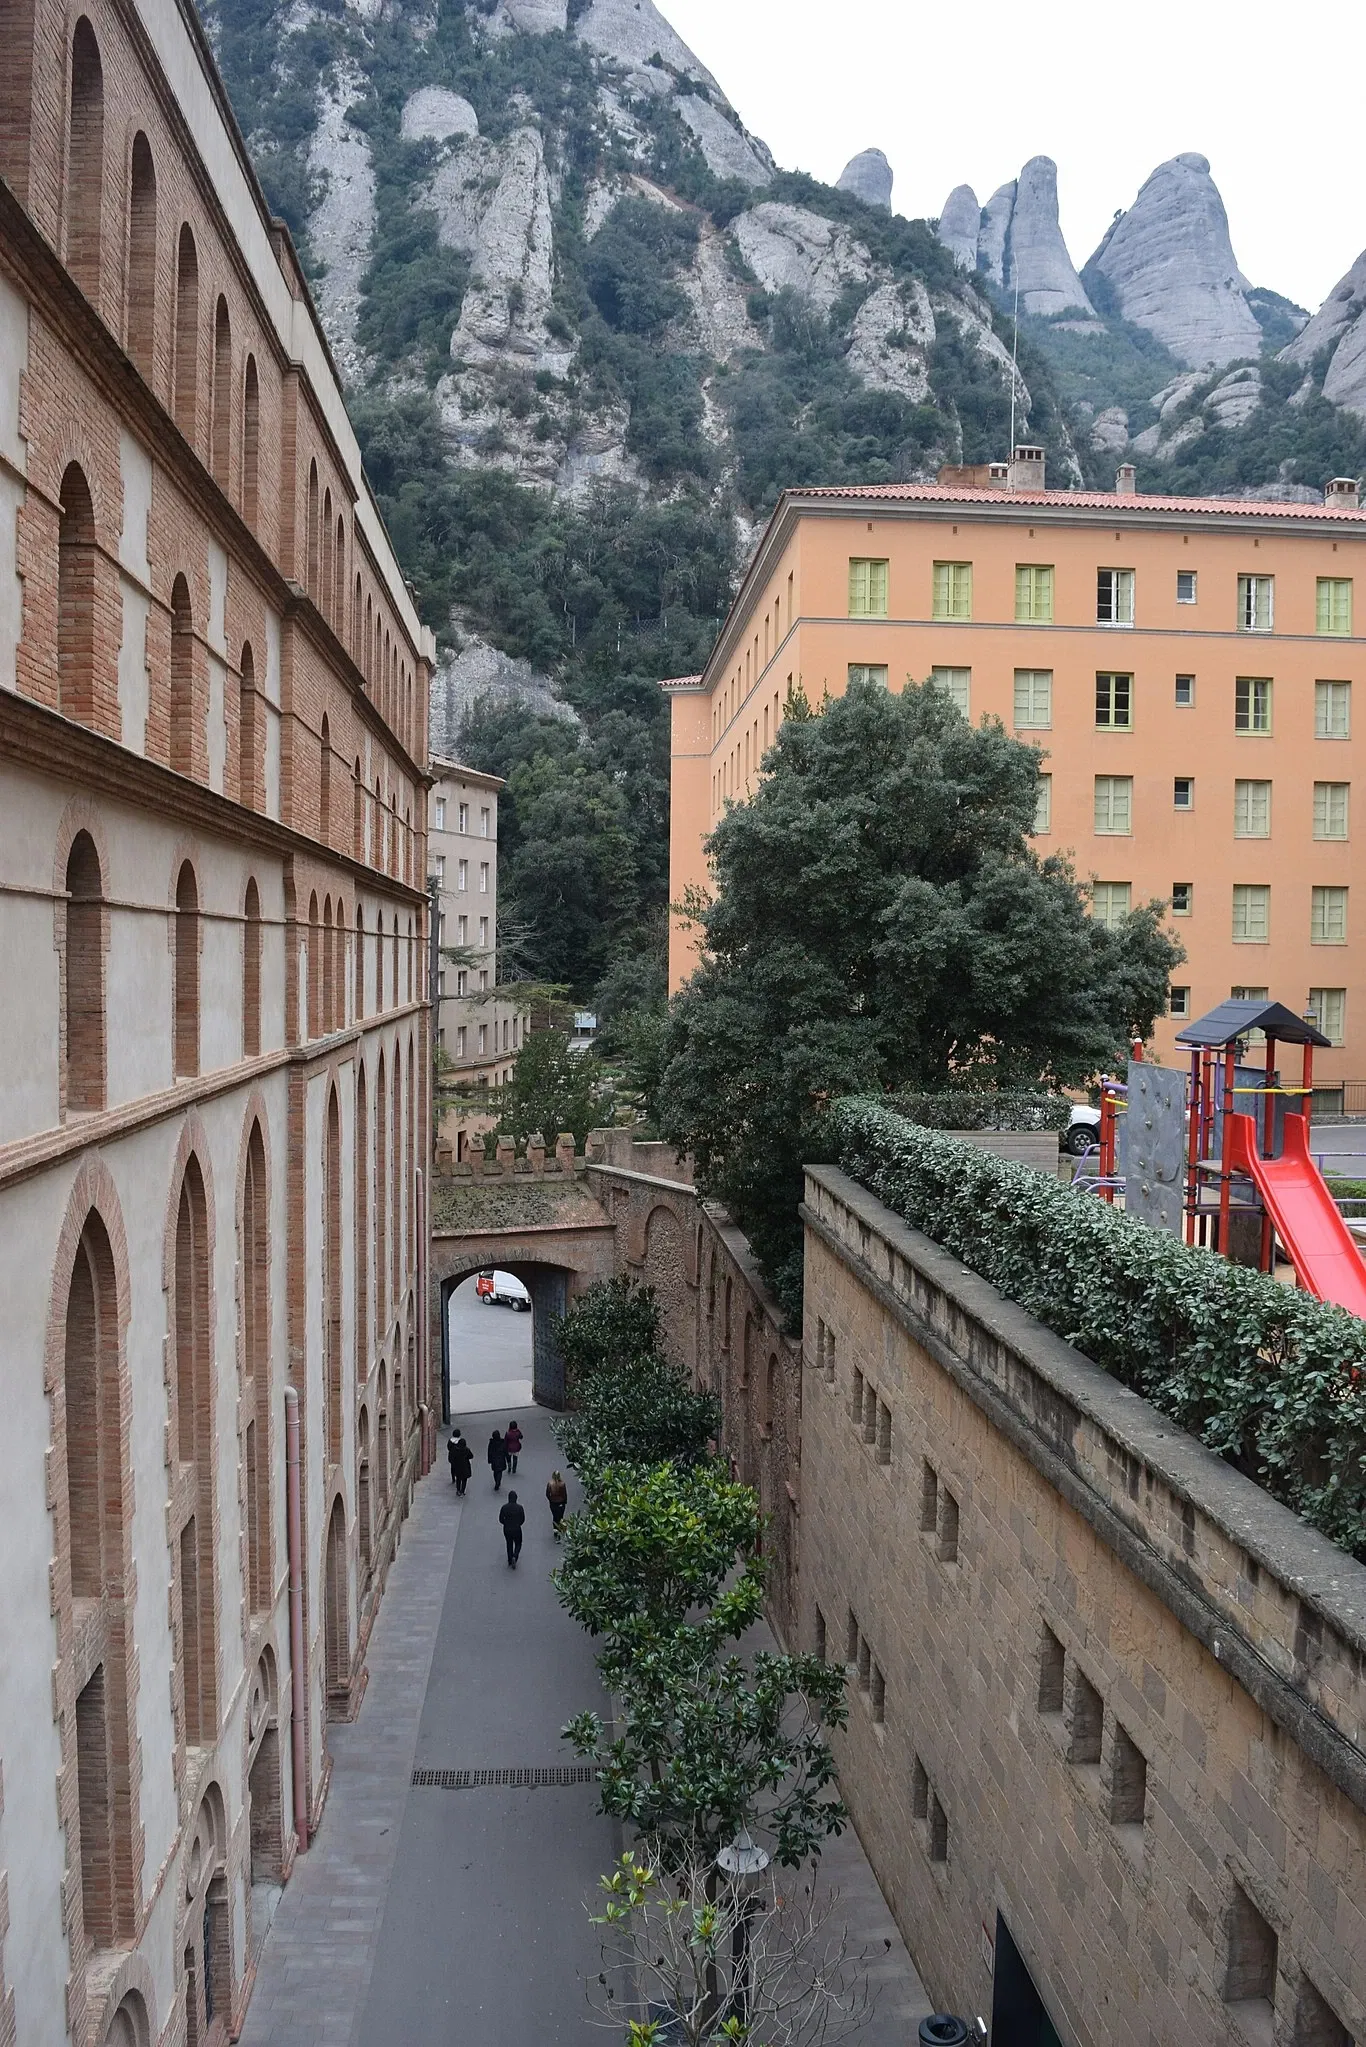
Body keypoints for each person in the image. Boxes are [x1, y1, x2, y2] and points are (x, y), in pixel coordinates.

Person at [499, 1490, 525, 1568]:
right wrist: (518, 1524)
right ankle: (515, 1556)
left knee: (509, 1543)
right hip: (517, 1528)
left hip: (507, 1529)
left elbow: (500, 1519)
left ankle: (510, 1560)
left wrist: (505, 1523)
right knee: (518, 1543)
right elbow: (522, 1519)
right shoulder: (520, 1508)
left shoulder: (504, 1507)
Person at [448, 1430, 472, 1495]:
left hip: (457, 1465)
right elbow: (471, 1456)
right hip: (465, 1466)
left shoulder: (455, 1448)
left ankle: (458, 1490)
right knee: (464, 1479)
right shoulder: (466, 1449)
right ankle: (463, 1490)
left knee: (458, 1478)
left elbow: (449, 1448)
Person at [546, 1470, 568, 1538]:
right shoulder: (562, 1484)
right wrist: (565, 1501)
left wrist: (551, 1500)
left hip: (553, 1503)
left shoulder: (550, 1484)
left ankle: (555, 1531)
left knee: (555, 1517)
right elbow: (564, 1494)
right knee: (560, 1517)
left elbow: (547, 1494)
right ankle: (560, 1530)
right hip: (561, 1503)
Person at [487, 1427, 508, 1492]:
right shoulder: (502, 1442)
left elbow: (489, 1452)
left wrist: (489, 1460)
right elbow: (505, 1451)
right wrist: (508, 1459)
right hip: (501, 1459)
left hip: (494, 1460)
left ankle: (496, 1481)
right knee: (500, 1472)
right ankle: (498, 1482)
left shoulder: (491, 1443)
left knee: (495, 1472)